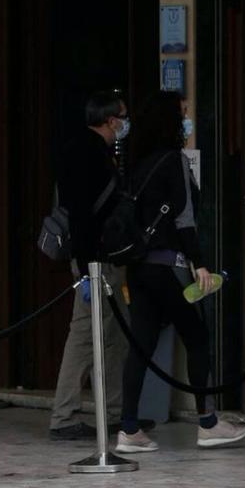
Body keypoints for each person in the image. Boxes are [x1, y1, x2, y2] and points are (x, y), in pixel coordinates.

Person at [114, 91, 245, 453]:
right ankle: (208, 422)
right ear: (170, 121)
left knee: (140, 346)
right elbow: (185, 219)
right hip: (170, 267)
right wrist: (199, 261)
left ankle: (128, 428)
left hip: (138, 268)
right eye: (183, 114)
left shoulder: (135, 163)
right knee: (197, 338)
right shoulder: (174, 161)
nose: (187, 120)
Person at [49, 92, 152, 440]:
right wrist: (88, 266)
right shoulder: (87, 153)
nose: (126, 122)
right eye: (123, 116)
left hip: (100, 260)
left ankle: (115, 412)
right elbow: (81, 214)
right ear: (111, 121)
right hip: (96, 262)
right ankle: (65, 416)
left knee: (112, 337)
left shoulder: (89, 149)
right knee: (83, 336)